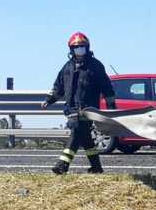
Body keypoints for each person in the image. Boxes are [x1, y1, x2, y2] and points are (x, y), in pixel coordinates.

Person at [41, 32, 116, 174]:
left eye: (82, 47)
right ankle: (96, 167)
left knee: (76, 132)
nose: (80, 50)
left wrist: (112, 106)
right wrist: (48, 100)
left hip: (88, 109)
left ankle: (62, 165)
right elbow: (59, 87)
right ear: (71, 49)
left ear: (87, 48)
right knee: (85, 138)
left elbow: (107, 87)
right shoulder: (67, 67)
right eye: (76, 47)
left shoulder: (95, 66)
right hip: (71, 109)